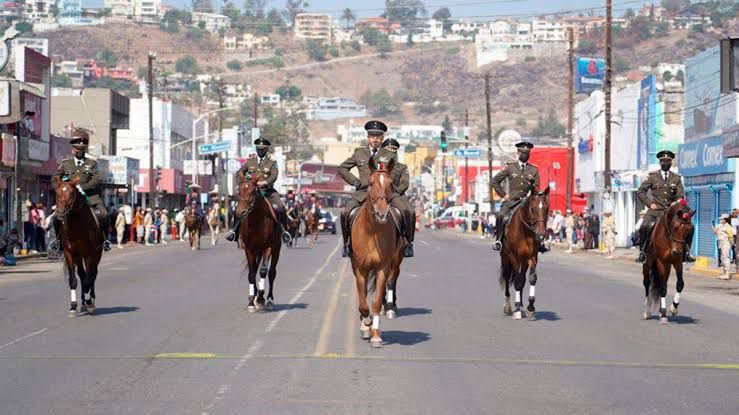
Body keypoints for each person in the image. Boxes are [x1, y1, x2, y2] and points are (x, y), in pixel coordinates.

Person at [338, 122, 415, 257]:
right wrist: (355, 182)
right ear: (368, 137)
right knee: (345, 212)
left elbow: (396, 171)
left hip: (385, 193)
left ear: (382, 137)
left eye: (378, 136)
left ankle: (408, 243)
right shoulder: (359, 153)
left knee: (407, 210)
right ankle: (347, 244)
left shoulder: (389, 153)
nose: (375, 139)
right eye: (372, 136)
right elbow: (342, 168)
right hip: (363, 192)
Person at [52, 127, 111, 252]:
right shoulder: (66, 163)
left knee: (104, 214)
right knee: (56, 217)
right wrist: (63, 188)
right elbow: (55, 178)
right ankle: (58, 242)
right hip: (69, 199)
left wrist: (83, 187)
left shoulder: (91, 163)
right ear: (72, 149)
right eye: (76, 149)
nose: (79, 151)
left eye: (81, 149)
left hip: (90, 198)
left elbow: (97, 179)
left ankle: (105, 240)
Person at [225, 137, 291, 243]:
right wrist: (243, 180)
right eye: (258, 149)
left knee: (280, 207)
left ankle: (284, 232)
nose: (260, 151)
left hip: (267, 191)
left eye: (262, 149)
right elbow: (239, 172)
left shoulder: (271, 162)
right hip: (251, 192)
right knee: (239, 208)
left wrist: (265, 182)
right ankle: (234, 231)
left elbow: (274, 175)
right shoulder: (250, 162)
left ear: (266, 150)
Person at [636, 150, 695, 263]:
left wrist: (676, 202)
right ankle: (642, 252)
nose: (666, 163)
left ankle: (686, 253)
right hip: (656, 209)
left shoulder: (676, 178)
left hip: (672, 210)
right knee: (644, 226)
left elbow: (680, 194)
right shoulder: (652, 177)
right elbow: (641, 191)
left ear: (671, 163)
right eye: (663, 161)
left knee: (690, 227)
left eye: (668, 161)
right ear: (660, 163)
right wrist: (650, 204)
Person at [490, 141, 545, 252]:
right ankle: (499, 240)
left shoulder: (533, 169)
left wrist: (538, 194)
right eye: (523, 153)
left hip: (526, 202)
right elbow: (494, 181)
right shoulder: (510, 167)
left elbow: (535, 187)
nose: (525, 156)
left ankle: (540, 242)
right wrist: (503, 195)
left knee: (539, 217)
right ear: (518, 153)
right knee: (501, 216)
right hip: (511, 201)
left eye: (527, 153)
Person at [713, 214, 734, 280]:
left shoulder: (728, 227)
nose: (720, 220)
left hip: (726, 243)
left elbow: (730, 237)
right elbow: (716, 233)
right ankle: (724, 273)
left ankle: (727, 274)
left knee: (726, 258)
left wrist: (731, 244)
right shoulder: (720, 226)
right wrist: (713, 226)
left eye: (722, 219)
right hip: (721, 243)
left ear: (725, 220)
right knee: (723, 258)